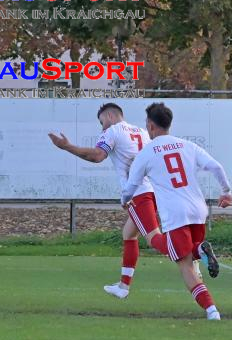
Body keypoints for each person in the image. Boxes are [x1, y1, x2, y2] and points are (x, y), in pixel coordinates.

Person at [48, 103, 210, 299]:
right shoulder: (143, 131)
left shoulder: (113, 131)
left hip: (139, 195)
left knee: (154, 239)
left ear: (109, 116)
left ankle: (196, 251)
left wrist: (67, 147)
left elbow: (97, 156)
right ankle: (123, 286)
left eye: (102, 122)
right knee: (128, 233)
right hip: (155, 191)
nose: (102, 128)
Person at [122, 102, 232, 320]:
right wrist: (226, 191)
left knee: (182, 262)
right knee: (186, 255)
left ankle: (212, 311)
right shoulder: (187, 145)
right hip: (198, 211)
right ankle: (200, 250)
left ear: (151, 126)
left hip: (176, 214)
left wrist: (125, 200)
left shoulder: (146, 153)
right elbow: (216, 167)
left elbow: (131, 186)